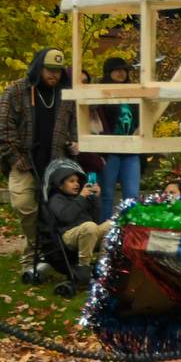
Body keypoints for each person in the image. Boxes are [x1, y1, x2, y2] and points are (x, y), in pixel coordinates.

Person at [0, 47, 76, 262]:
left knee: (53, 210)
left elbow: (75, 125)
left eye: (58, 70)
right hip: (23, 161)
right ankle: (33, 252)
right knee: (25, 205)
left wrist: (74, 145)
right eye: (49, 69)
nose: (54, 75)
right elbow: (3, 128)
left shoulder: (66, 94)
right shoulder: (15, 90)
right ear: (38, 67)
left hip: (56, 163)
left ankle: (48, 254)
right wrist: (15, 158)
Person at [92, 55, 140, 221]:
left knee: (132, 194)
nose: (122, 73)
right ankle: (103, 232)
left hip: (131, 148)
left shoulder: (134, 92)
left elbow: (141, 119)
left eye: (124, 70)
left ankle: (130, 233)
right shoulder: (100, 92)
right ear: (108, 72)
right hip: (109, 149)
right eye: (117, 70)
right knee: (107, 194)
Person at [43, 159, 110, 268]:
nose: (77, 184)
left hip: (89, 232)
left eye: (78, 181)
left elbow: (96, 219)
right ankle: (83, 267)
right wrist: (81, 197)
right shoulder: (56, 199)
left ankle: (104, 265)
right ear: (60, 184)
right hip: (68, 235)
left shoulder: (80, 198)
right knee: (89, 226)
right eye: (71, 181)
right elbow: (66, 217)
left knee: (112, 225)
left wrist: (96, 199)